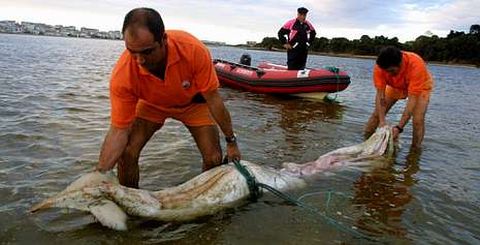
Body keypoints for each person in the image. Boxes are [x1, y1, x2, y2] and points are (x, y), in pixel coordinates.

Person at [95, 8, 241, 188]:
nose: (139, 60)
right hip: (152, 105)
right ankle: (130, 204)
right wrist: (99, 176)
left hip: (193, 105)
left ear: (164, 40)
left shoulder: (193, 50)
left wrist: (231, 141)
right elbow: (118, 130)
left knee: (214, 158)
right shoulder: (123, 74)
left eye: (147, 52)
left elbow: (214, 100)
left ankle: (204, 205)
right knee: (126, 153)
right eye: (132, 51)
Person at [364, 46, 434, 149]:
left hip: (420, 87)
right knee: (376, 115)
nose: (388, 74)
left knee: (418, 120)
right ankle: (366, 139)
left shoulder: (416, 65)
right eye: (386, 71)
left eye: (391, 71)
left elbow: (412, 101)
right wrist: (382, 121)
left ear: (400, 63)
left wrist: (399, 128)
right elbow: (380, 95)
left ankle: (415, 150)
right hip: (395, 86)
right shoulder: (380, 67)